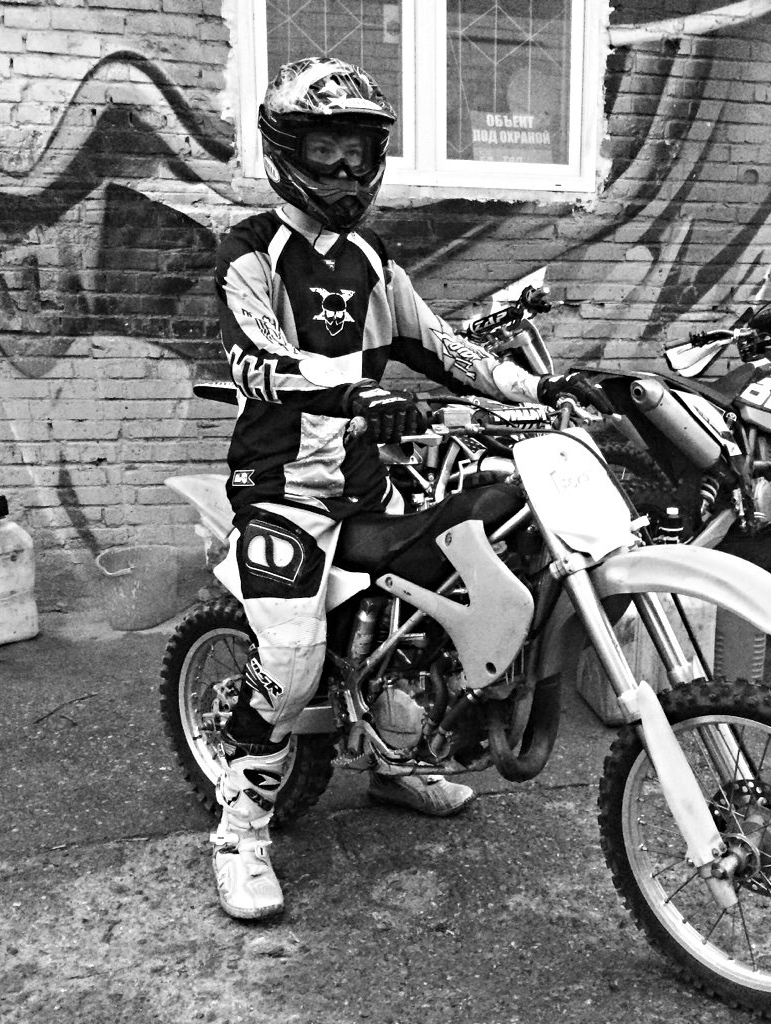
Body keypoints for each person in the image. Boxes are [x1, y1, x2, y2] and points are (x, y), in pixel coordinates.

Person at [211, 55, 610, 921]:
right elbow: (256, 360)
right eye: (325, 149)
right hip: (282, 494)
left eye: (358, 152)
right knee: (289, 666)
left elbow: (443, 347)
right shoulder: (250, 251)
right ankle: (240, 829)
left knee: (425, 625)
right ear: (285, 152)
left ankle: (394, 763)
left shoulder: (370, 258)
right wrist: (355, 392)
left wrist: (540, 387)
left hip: (367, 489)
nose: (345, 169)